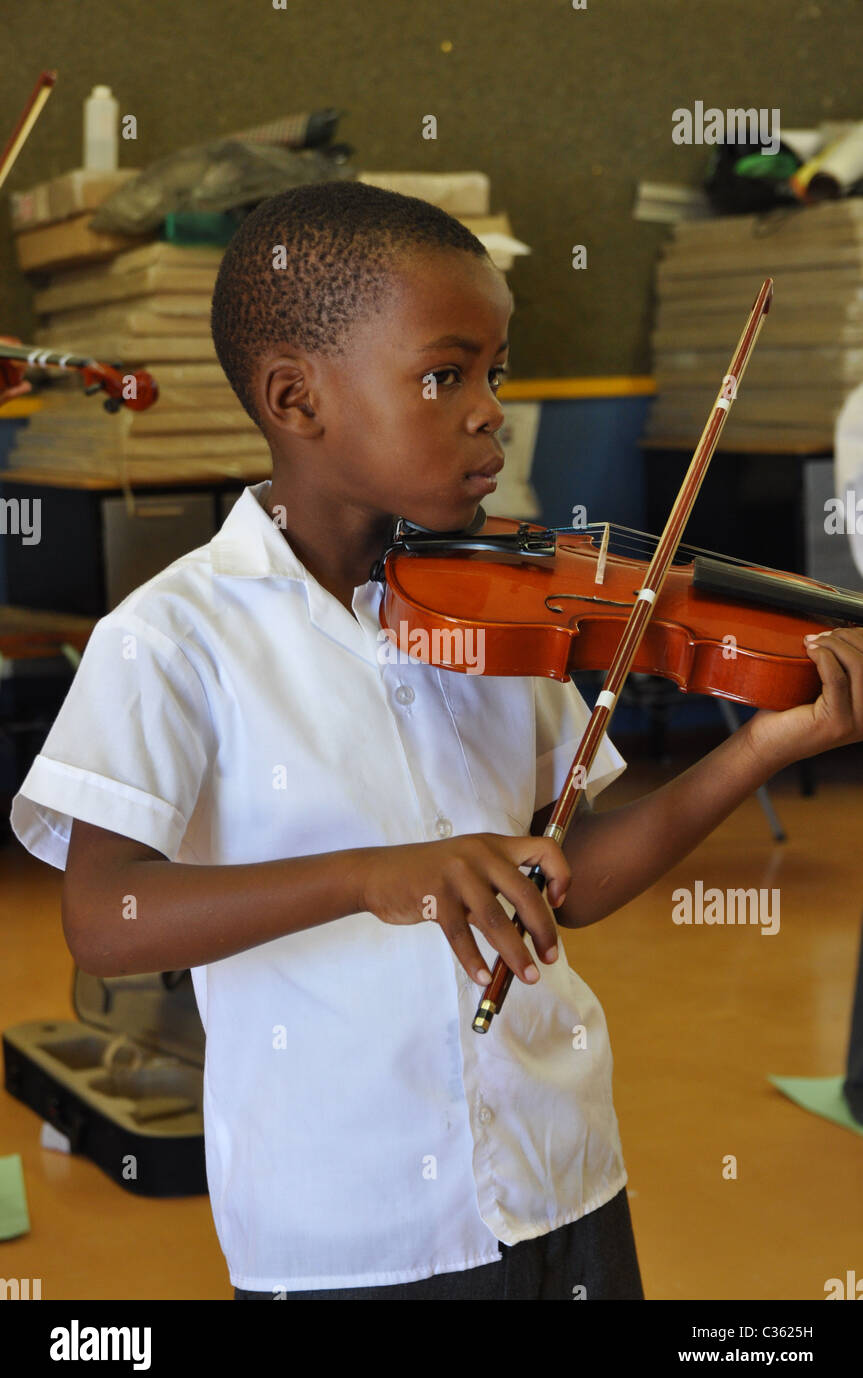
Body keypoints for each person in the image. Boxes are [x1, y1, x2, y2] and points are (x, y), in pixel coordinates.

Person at [10, 182, 863, 1300]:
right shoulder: (172, 638)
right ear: (294, 400)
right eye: (442, 374)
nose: (487, 413)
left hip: (563, 1178)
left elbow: (572, 877)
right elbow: (105, 916)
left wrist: (755, 748)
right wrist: (374, 875)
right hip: (349, 1227)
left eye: (493, 376)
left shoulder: (495, 615)